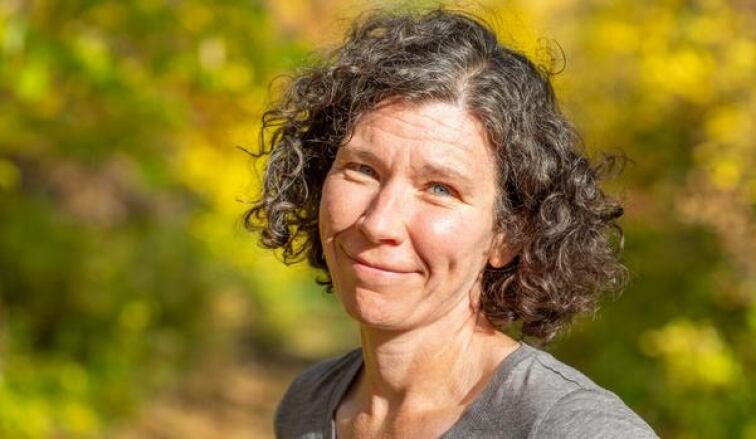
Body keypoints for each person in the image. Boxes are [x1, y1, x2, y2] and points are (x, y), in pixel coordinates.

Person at [244, 8, 658, 439]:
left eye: (440, 189)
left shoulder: (569, 428)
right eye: (362, 169)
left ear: (508, 235)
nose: (379, 222)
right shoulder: (308, 407)